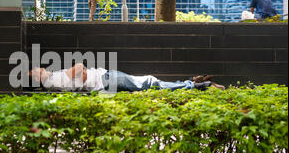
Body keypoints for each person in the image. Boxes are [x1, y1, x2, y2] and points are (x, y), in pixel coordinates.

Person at [29, 64, 225, 93]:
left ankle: (192, 83)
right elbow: (80, 69)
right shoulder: (53, 80)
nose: (39, 68)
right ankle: (198, 85)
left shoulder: (53, 78)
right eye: (36, 71)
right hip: (106, 80)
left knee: (151, 84)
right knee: (150, 83)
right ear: (39, 78)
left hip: (106, 80)